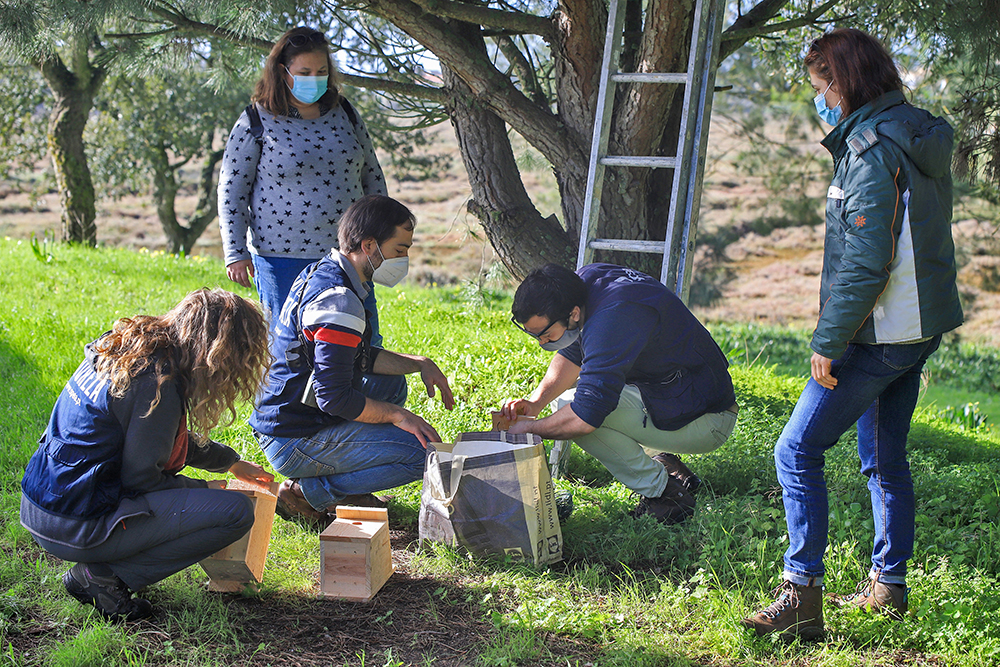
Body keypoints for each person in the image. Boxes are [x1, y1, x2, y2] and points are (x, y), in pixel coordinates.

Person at [742, 28, 964, 640]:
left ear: (842, 84)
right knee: (885, 458)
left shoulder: (871, 152)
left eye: (820, 87)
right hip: (919, 328)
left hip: (880, 335)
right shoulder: (915, 130)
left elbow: (867, 261)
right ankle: (889, 587)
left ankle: (800, 595)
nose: (819, 99)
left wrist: (828, 341)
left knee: (795, 450)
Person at [20, 290, 275, 621]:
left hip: (41, 504)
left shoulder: (132, 348)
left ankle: (102, 570)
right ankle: (105, 578)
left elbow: (159, 436)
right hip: (74, 524)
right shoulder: (159, 385)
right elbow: (142, 479)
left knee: (218, 505)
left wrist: (230, 461)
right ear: (220, 353)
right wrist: (205, 491)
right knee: (235, 512)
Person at [250, 194, 455, 525]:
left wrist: (420, 363)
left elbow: (356, 356)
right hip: (291, 437)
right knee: (424, 454)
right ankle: (308, 493)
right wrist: (398, 416)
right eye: (400, 250)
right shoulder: (339, 302)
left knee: (390, 382)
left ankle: (343, 472)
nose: (404, 259)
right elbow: (333, 396)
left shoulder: (323, 271)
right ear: (370, 245)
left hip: (283, 415)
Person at [500, 262, 739, 524]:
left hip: (710, 420)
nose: (542, 342)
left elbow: (585, 417)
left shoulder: (613, 316)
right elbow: (573, 354)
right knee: (576, 403)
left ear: (574, 313)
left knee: (575, 411)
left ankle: (666, 495)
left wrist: (530, 430)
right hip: (678, 396)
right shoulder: (583, 284)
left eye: (544, 334)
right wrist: (535, 404)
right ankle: (667, 464)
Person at [218, 26, 390, 348]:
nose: (314, 78)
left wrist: (383, 238)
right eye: (305, 71)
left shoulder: (346, 114)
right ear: (282, 71)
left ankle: (358, 400)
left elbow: (372, 176)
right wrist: (235, 251)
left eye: (322, 71)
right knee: (286, 349)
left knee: (359, 343)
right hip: (281, 259)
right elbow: (232, 189)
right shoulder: (255, 120)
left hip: (348, 257)